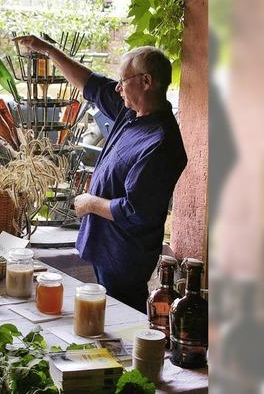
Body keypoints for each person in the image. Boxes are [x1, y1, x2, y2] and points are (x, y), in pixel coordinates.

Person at [14, 35, 187, 312]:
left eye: (124, 80)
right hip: (104, 247)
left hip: (124, 256)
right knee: (103, 319)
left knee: (123, 320)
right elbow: (88, 82)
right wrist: (47, 49)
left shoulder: (160, 142)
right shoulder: (129, 112)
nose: (117, 88)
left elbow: (135, 211)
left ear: (146, 82)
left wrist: (90, 203)